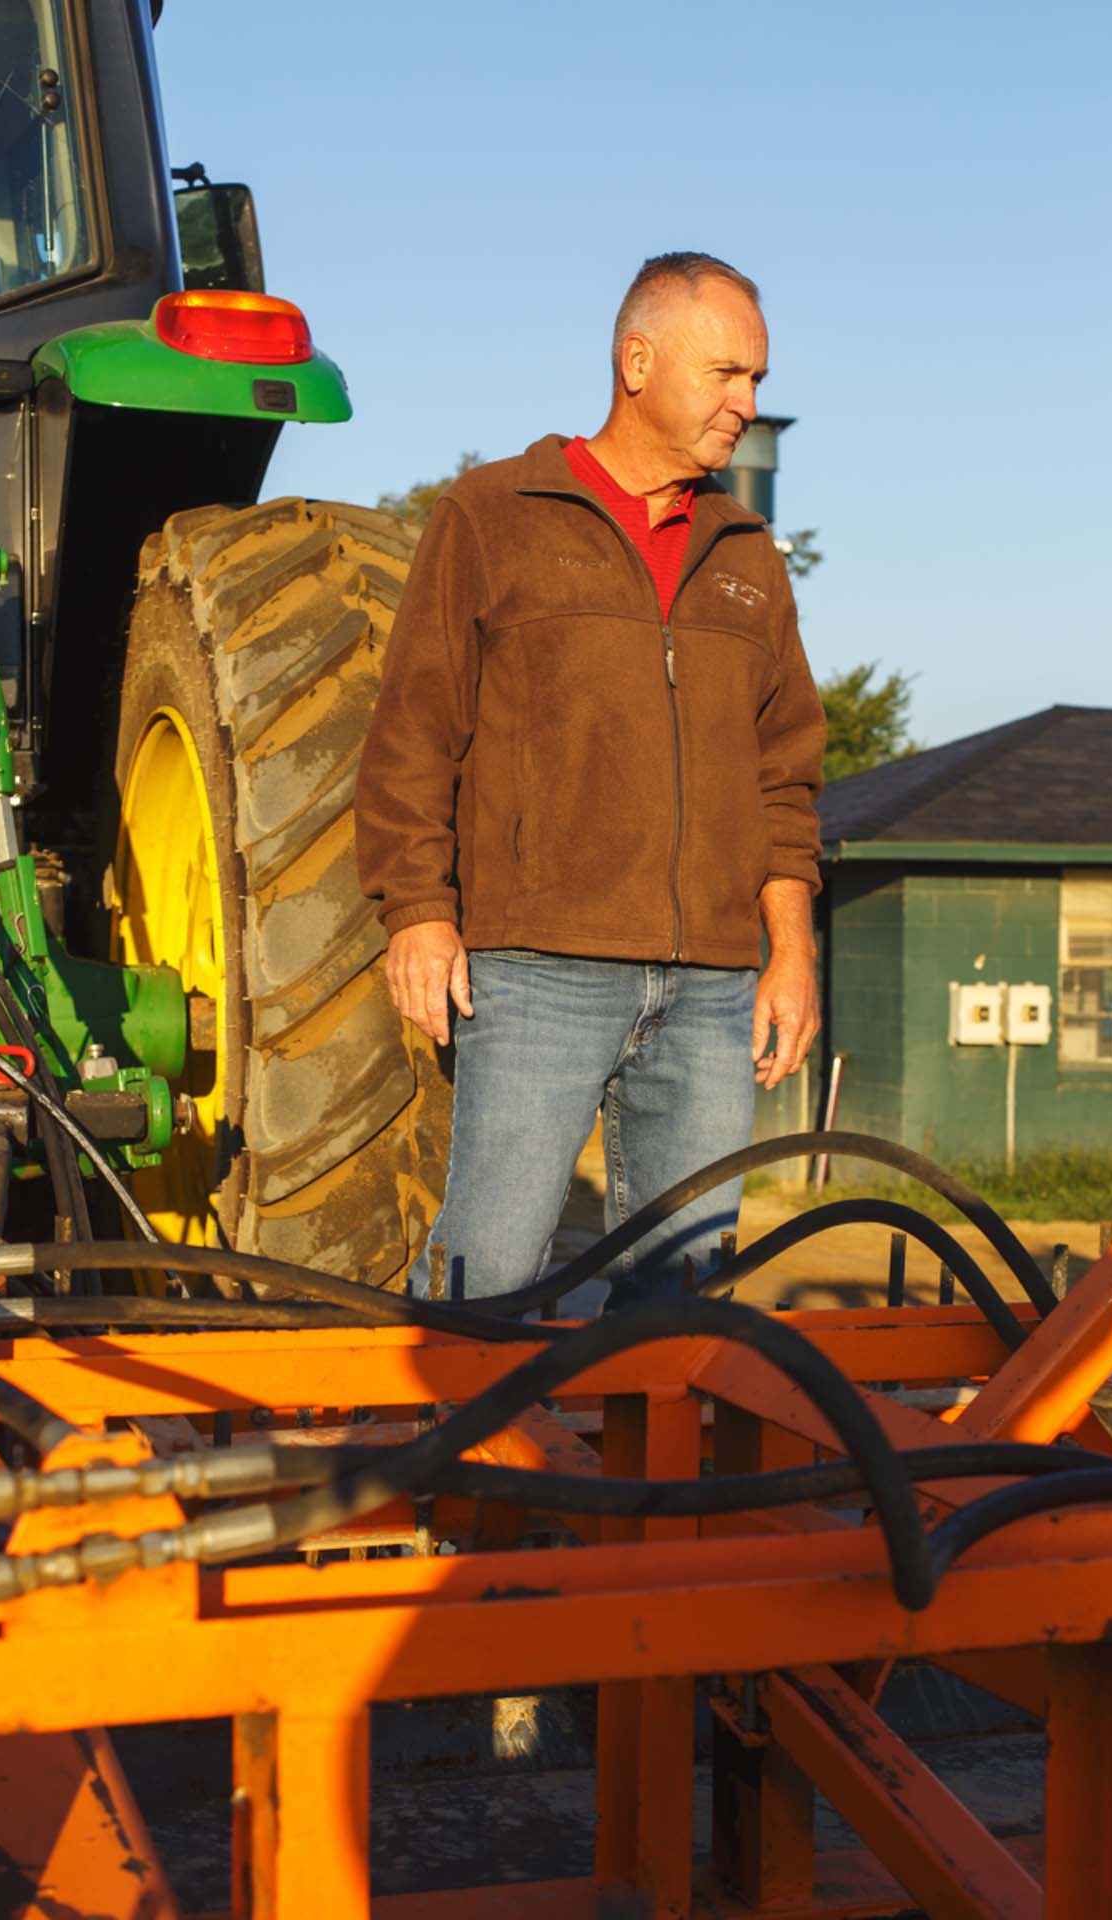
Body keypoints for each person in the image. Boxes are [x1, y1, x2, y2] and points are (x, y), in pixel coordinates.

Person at [356, 251, 825, 1307]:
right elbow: (412, 732)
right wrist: (417, 913)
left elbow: (783, 776)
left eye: (756, 380)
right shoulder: (490, 515)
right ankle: (445, 1473)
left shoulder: (749, 555)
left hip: (710, 985)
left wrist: (787, 948)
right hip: (536, 973)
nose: (746, 405)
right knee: (489, 1278)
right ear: (635, 360)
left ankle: (630, 1482)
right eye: (725, 375)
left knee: (679, 1304)